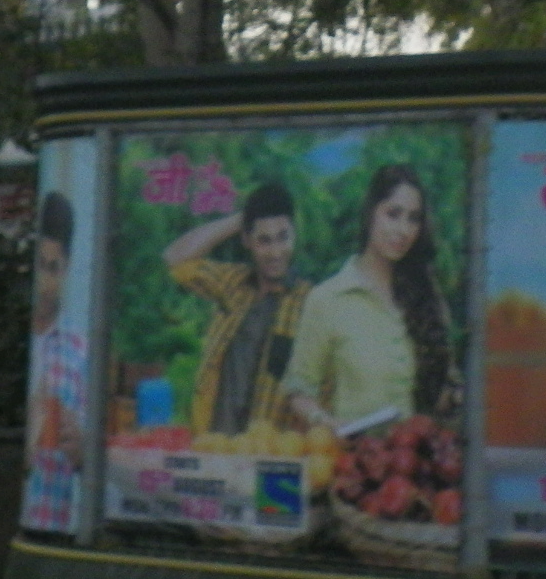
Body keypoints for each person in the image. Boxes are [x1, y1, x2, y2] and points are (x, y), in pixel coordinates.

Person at [281, 164, 457, 433]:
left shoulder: (426, 296)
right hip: (356, 454)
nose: (403, 230)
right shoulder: (328, 299)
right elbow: (299, 391)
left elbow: (445, 392)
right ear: (370, 213)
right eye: (393, 214)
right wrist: (328, 423)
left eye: (413, 219)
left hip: (416, 455)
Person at [162, 182, 308, 435]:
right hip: (212, 442)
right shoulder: (233, 283)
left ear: (294, 235)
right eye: (264, 240)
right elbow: (174, 258)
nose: (275, 252)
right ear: (247, 240)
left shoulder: (310, 302)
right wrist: (246, 215)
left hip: (267, 448)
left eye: (283, 238)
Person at [20, 192, 87, 533]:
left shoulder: (80, 353)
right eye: (38, 266)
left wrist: (83, 451)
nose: (44, 283)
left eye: (53, 268)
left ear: (67, 267)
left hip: (52, 526)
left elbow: (92, 457)